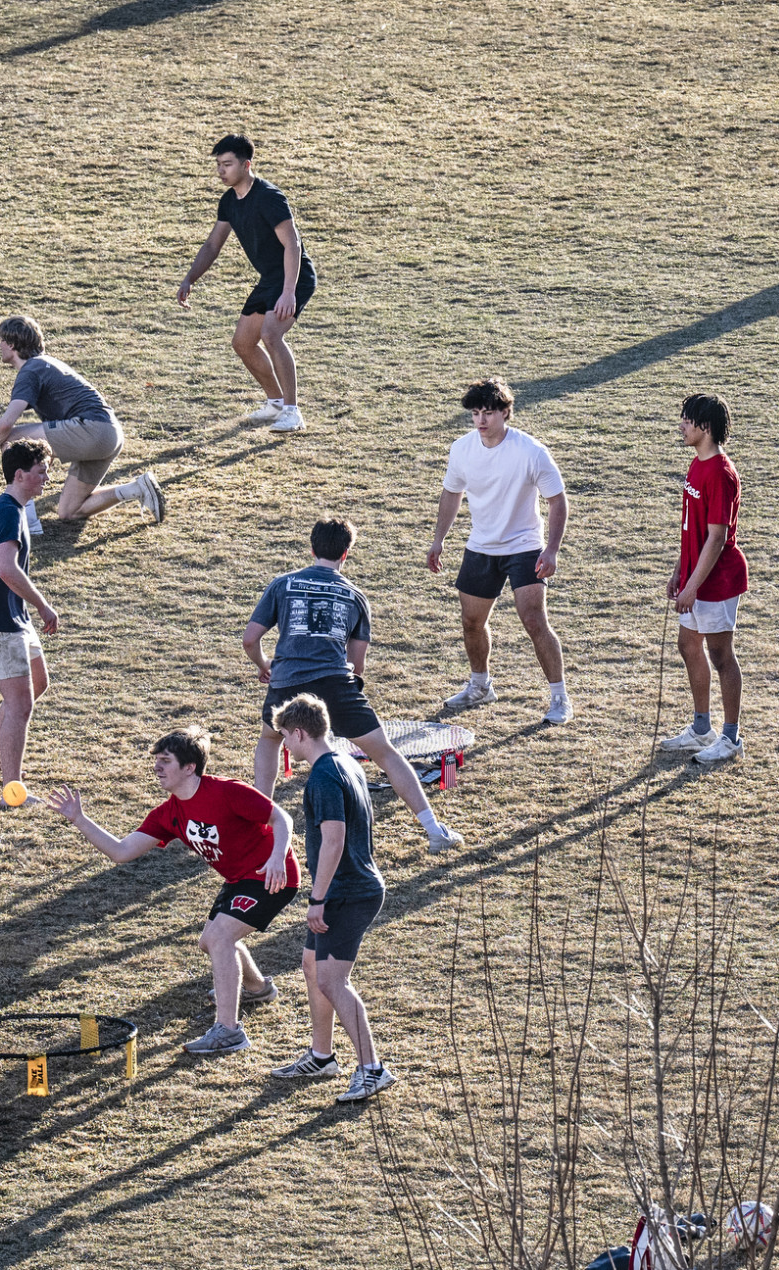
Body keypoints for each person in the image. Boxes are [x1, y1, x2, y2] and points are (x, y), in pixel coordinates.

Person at [49, 728, 297, 1056]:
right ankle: (257, 988)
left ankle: (229, 1031)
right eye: (156, 761)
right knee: (211, 942)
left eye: (166, 761)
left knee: (221, 938)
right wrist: (79, 819)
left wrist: (279, 856)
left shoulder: (226, 792)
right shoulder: (169, 813)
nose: (157, 767)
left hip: (271, 875)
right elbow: (121, 851)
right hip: (239, 879)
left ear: (189, 767)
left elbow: (281, 818)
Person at [244, 518, 465, 853]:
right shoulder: (356, 596)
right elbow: (357, 665)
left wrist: (265, 667)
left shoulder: (282, 585)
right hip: (337, 684)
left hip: (287, 683)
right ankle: (434, 830)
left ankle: (260, 826)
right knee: (387, 754)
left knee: (269, 740)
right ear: (346, 553)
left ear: (312, 547)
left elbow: (250, 639)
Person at [269, 694, 397, 1101]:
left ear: (300, 732)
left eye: (286, 737)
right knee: (311, 966)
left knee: (331, 979)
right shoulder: (344, 761)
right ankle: (321, 1057)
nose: (285, 745)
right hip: (352, 887)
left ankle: (372, 1069)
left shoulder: (323, 777)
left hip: (347, 893)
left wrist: (317, 898)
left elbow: (334, 839)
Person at [426, 377, 573, 723]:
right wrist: (438, 539)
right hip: (481, 546)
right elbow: (451, 493)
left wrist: (551, 550)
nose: (480, 421)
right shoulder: (462, 449)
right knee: (471, 622)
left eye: (488, 413)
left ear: (506, 413)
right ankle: (480, 686)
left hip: (524, 546)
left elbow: (557, 501)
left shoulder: (530, 451)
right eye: (475, 413)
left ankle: (559, 697)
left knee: (534, 619)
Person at [176, 134, 318, 434]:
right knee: (242, 343)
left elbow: (292, 243)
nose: (221, 171)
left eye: (227, 164)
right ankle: (276, 403)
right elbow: (213, 245)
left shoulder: (268, 197)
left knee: (271, 333)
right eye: (218, 164)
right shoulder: (229, 201)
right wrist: (191, 278)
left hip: (294, 276)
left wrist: (289, 292)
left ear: (246, 165)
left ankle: (293, 412)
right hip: (270, 279)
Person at [0, 315, 164, 528]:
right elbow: (45, 445)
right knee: (69, 511)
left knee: (11, 440)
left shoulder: (30, 370)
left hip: (92, 429)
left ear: (11, 344)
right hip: (109, 435)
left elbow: (5, 426)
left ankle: (25, 518)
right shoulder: (46, 364)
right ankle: (137, 488)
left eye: (1, 341)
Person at [658, 393, 749, 763]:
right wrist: (680, 571)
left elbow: (717, 537)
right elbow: (691, 528)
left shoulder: (721, 474)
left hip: (718, 581)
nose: (681, 425)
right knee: (687, 646)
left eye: (686, 420)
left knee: (720, 655)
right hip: (695, 576)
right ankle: (701, 729)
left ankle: (730, 739)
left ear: (705, 427)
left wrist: (693, 586)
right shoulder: (697, 465)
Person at [0, 439, 60, 788]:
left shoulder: (12, 507)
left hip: (14, 619)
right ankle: (12, 786)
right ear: (20, 475)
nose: (46, 480)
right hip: (1, 623)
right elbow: (6, 569)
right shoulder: (7, 511)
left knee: (38, 683)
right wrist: (42, 604)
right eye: (41, 473)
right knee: (20, 705)